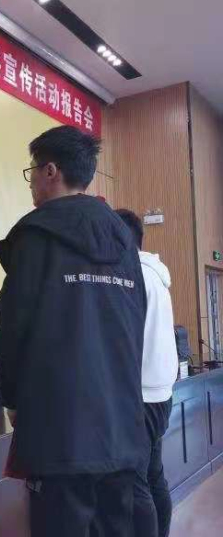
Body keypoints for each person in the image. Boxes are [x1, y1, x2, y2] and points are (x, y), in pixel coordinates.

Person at [0, 125, 147, 537]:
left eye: (32, 172)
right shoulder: (124, 240)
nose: (31, 183)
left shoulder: (35, 235)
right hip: (122, 425)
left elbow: (12, 325)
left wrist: (12, 397)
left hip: (59, 426)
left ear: (50, 171)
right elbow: (137, 322)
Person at [116, 209, 178, 537]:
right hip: (160, 394)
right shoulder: (155, 273)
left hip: (139, 396)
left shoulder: (131, 274)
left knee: (135, 483)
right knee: (154, 477)